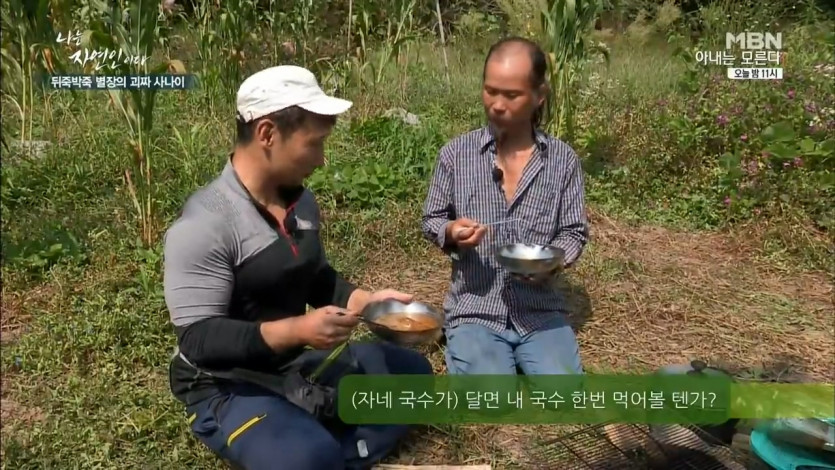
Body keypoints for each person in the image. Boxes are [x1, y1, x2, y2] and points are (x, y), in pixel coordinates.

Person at [163, 65, 433, 470]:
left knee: (413, 375)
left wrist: (366, 302)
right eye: (315, 143)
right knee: (307, 459)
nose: (322, 160)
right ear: (267, 134)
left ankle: (333, 449)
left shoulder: (300, 204)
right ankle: (320, 447)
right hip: (227, 385)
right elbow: (199, 340)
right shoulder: (205, 224)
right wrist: (298, 330)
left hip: (293, 365)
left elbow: (315, 277)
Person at [421, 37, 589, 376]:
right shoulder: (456, 155)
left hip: (539, 309)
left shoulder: (561, 160)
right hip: (476, 308)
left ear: (539, 95)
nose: (497, 104)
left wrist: (552, 261)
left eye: (511, 95)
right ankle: (468, 346)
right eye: (490, 91)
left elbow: (573, 232)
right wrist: (451, 231)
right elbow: (433, 219)